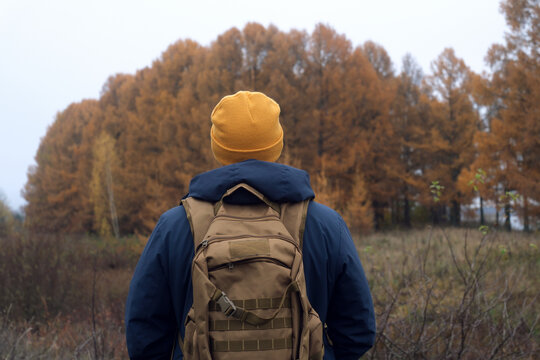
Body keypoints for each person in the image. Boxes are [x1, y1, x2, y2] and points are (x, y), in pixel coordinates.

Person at [125, 91, 376, 359]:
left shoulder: (174, 226)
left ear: (217, 146)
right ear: (277, 143)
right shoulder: (326, 225)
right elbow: (358, 331)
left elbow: (143, 336)